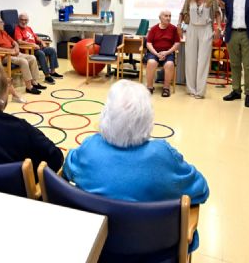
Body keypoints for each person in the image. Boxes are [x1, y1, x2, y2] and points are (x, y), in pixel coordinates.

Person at [63, 79, 209, 250]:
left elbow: (67, 168)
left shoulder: (89, 148)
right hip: (154, 255)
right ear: (148, 119)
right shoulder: (163, 156)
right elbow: (201, 190)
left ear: (106, 115)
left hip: (96, 250)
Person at [178, 0, 222, 98]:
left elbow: (217, 14)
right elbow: (182, 12)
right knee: (190, 59)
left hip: (206, 29)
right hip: (191, 29)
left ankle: (200, 91)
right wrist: (178, 25)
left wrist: (218, 28)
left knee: (203, 60)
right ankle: (191, 89)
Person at [0, 16, 46, 95]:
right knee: (23, 61)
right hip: (5, 56)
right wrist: (9, 51)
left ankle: (34, 82)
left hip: (15, 53)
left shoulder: (3, 32)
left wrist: (16, 48)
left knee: (32, 58)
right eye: (1, 22)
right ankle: (29, 87)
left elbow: (14, 42)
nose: (3, 24)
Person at [14, 12, 62, 84]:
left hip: (36, 47)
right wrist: (32, 44)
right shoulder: (17, 29)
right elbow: (19, 42)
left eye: (25, 20)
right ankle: (47, 76)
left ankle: (52, 72)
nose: (24, 22)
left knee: (52, 50)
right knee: (41, 53)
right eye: (22, 20)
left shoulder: (29, 28)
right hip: (29, 50)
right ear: (19, 20)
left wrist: (42, 41)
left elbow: (35, 37)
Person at [145, 10, 180, 97]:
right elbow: (148, 43)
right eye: (166, 16)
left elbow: (177, 43)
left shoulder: (173, 29)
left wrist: (167, 52)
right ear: (160, 18)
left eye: (170, 16)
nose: (168, 18)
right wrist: (157, 54)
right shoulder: (153, 29)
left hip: (168, 53)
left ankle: (166, 88)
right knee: (151, 63)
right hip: (154, 53)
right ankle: (149, 87)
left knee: (169, 64)